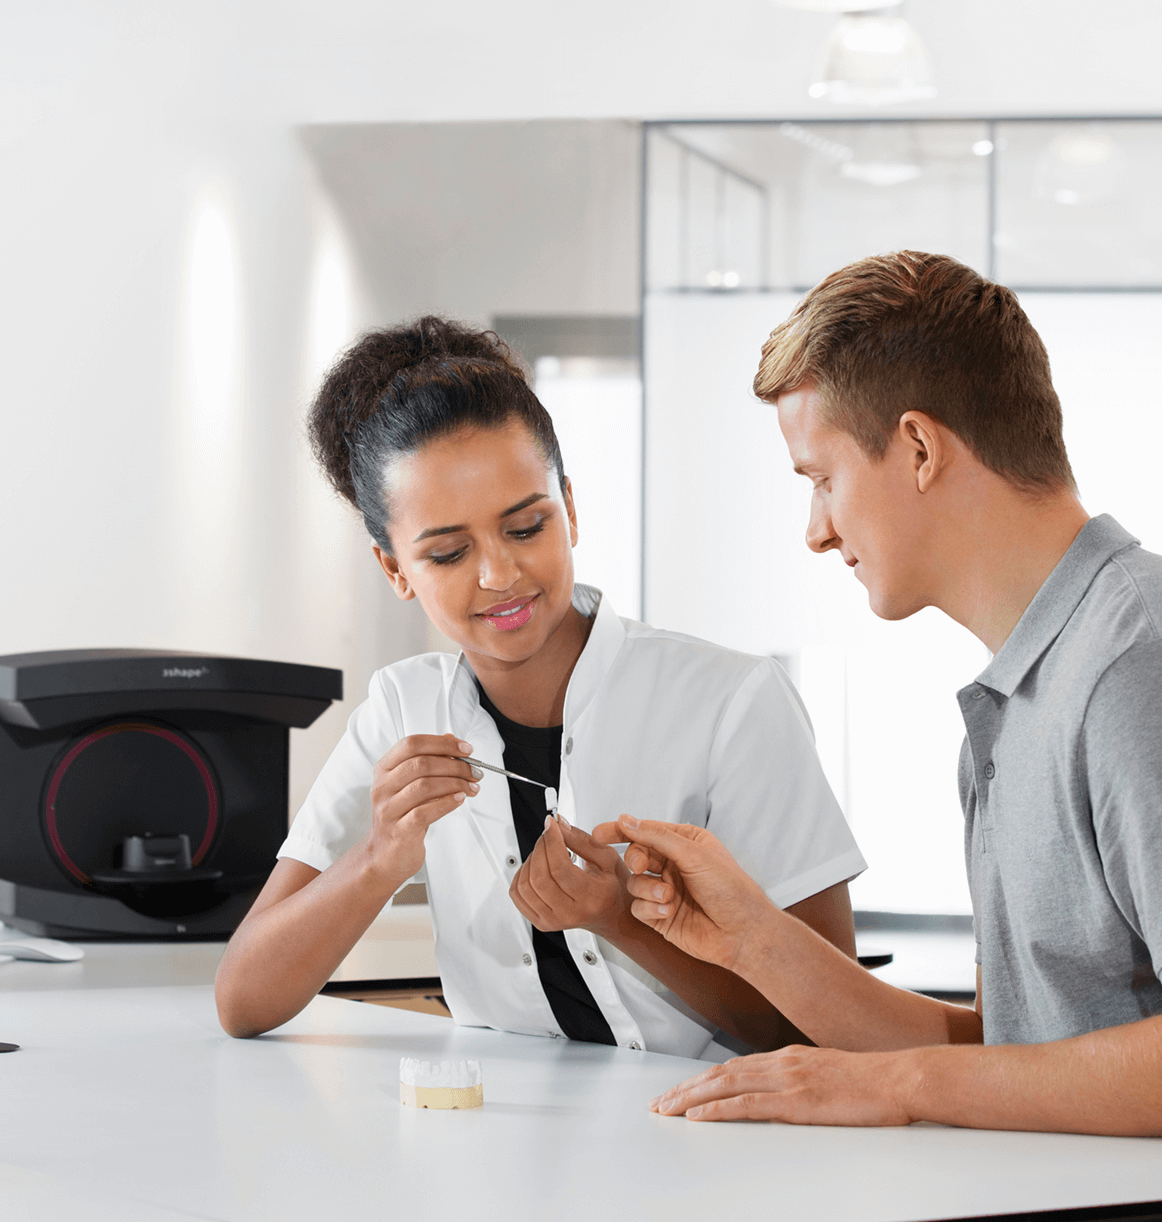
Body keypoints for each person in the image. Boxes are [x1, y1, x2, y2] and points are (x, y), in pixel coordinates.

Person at [602, 252, 1162, 1220]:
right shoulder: (1022, 698)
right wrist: (754, 939)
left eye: (822, 478)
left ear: (918, 448)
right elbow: (1018, 1063)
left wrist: (895, 1086)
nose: (815, 530)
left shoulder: (1152, 668)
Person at [213, 316, 866, 1058]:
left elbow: (833, 1027)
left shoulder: (732, 701)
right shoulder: (401, 710)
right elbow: (244, 998)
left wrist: (621, 920)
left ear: (571, 510)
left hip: (710, 1123)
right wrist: (379, 860)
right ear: (395, 569)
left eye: (526, 527)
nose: (499, 574)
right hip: (494, 1123)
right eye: (448, 553)